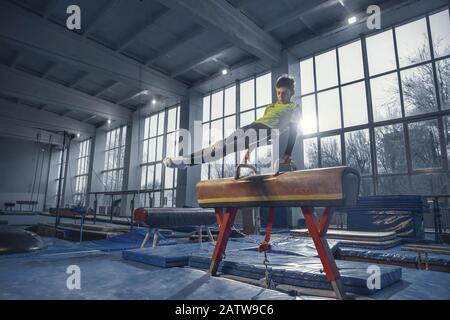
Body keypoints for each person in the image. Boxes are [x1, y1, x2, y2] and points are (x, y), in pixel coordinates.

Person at [163, 74, 300, 169]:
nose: (281, 96)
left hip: (266, 132)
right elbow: (258, 127)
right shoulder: (270, 106)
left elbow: (293, 131)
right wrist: (250, 151)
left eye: (285, 93)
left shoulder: (294, 107)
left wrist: (288, 153)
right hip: (252, 127)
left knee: (224, 149)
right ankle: (184, 160)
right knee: (218, 145)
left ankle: (186, 162)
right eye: (278, 93)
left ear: (292, 92)